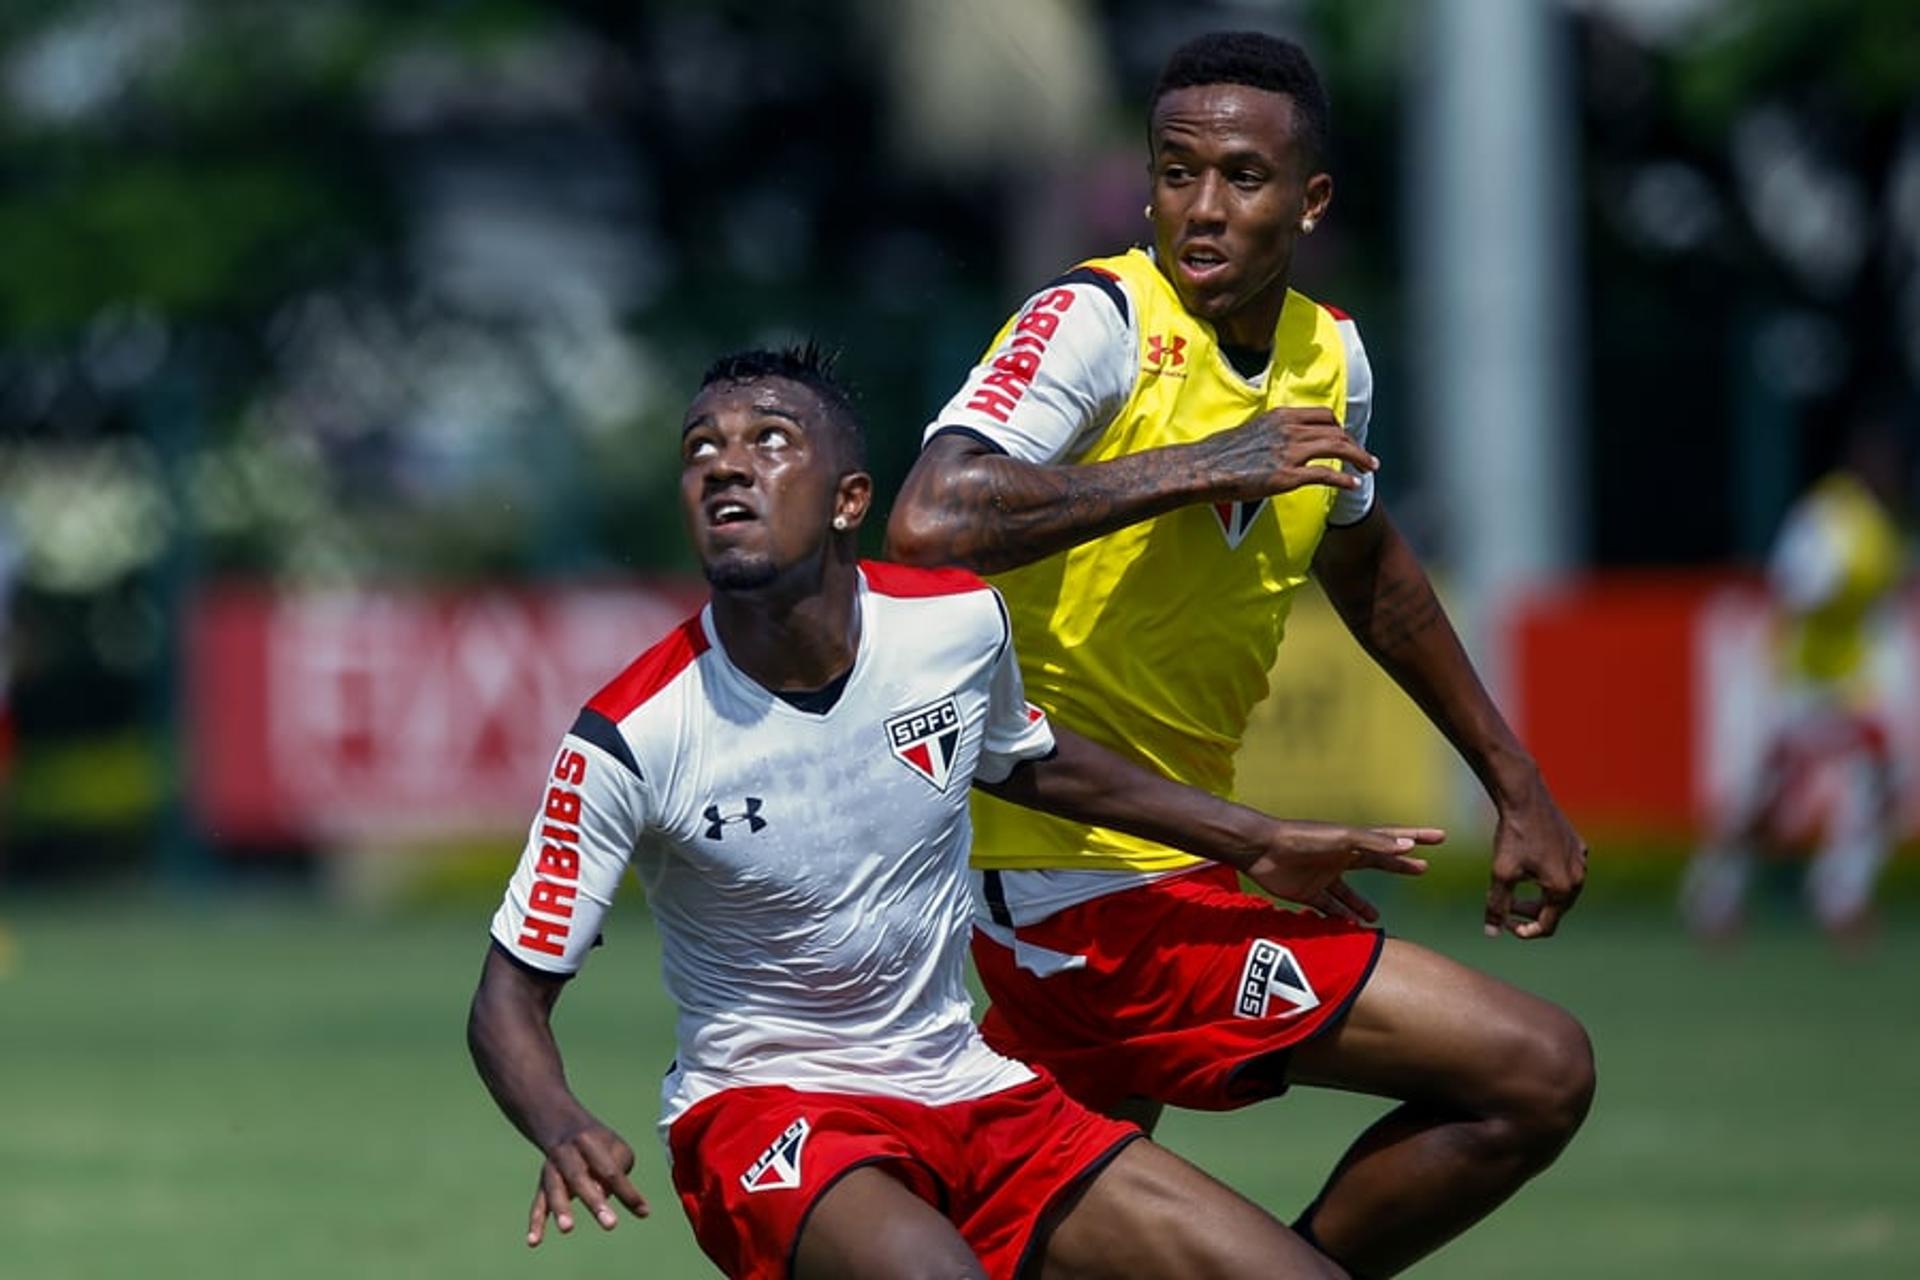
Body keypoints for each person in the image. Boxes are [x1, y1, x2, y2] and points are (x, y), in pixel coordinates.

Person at [468, 346, 1445, 1280]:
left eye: (769, 439)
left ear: (852, 498)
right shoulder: (630, 733)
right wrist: (562, 1123)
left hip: (967, 1085)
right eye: (700, 449)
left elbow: (1031, 763)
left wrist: (1260, 838)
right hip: (766, 1112)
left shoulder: (957, 625)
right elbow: (507, 998)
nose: (727, 463)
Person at [886, 31, 1595, 1279]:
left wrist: (1515, 779)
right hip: (1075, 882)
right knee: (1536, 1070)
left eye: (1241, 177)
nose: (1201, 208)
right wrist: (1203, 463)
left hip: (1167, 859)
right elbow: (932, 517)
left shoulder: (1332, 358)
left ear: (1310, 200)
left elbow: (1368, 567)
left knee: (1029, 1235)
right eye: (1175, 171)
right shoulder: (1099, 320)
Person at [1683, 420, 1909, 941]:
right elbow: (1796, 587)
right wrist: (1833, 594)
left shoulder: (1880, 524)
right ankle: (1715, 895)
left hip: (1845, 682)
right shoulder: (1828, 516)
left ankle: (1841, 893)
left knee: (1883, 770)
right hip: (1796, 678)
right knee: (1767, 796)